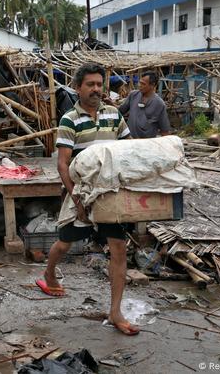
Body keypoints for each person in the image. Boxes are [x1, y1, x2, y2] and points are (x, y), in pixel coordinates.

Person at [35, 63, 140, 336]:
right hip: (81, 193)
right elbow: (62, 164)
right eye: (89, 84)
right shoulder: (70, 119)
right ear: (77, 88)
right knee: (65, 241)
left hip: (110, 195)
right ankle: (49, 273)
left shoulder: (115, 115)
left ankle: (115, 312)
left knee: (118, 247)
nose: (96, 89)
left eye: (99, 84)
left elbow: (129, 150)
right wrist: (78, 201)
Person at [118, 71, 170, 138]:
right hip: (129, 140)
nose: (139, 85)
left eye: (143, 84)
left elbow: (164, 130)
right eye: (140, 82)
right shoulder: (133, 95)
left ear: (152, 85)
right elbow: (121, 111)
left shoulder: (159, 104)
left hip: (146, 144)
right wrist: (109, 103)